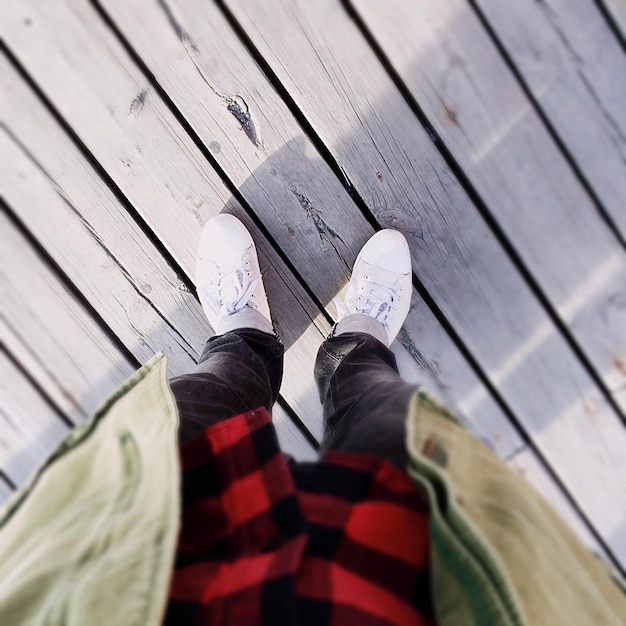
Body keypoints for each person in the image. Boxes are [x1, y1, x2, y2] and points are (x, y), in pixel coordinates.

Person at [0, 216, 625, 626]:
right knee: (394, 428)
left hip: (144, 587)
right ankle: (356, 349)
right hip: (397, 590)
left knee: (191, 414)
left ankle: (245, 344)